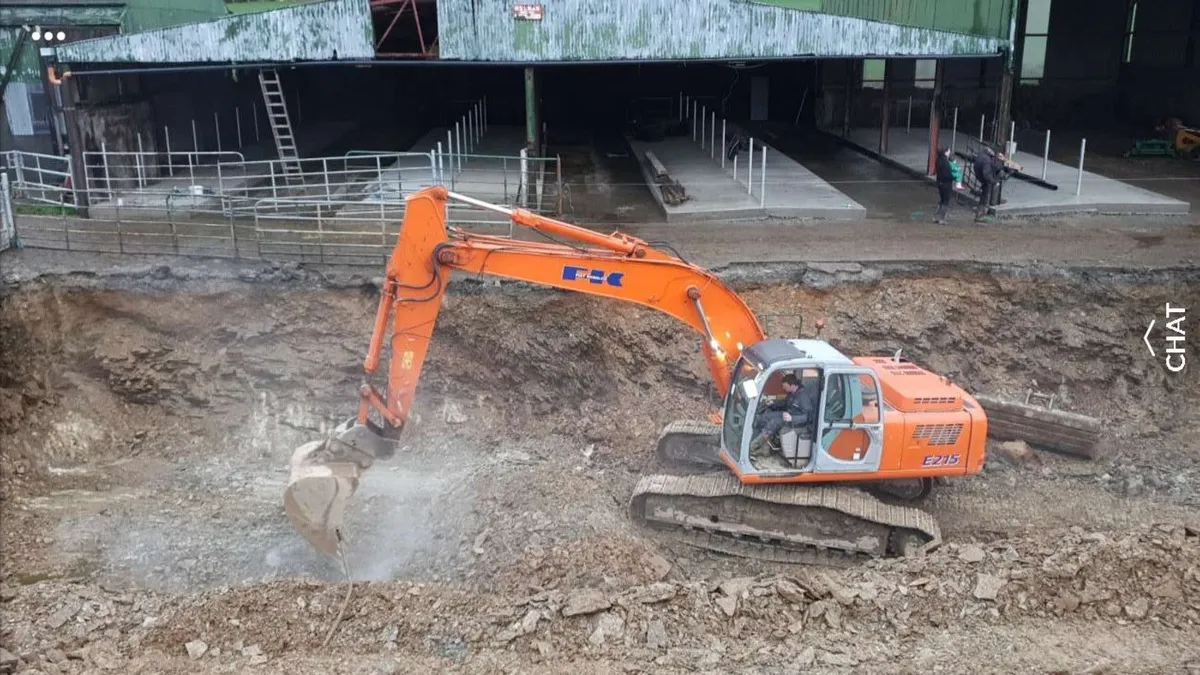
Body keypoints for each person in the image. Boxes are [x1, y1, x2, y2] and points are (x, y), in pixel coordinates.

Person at [749, 373, 815, 459]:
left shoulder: (803, 397)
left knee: (774, 423)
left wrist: (792, 418)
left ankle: (752, 448)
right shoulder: (792, 393)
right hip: (787, 414)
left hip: (795, 422)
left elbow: (808, 416)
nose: (783, 388)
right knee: (766, 416)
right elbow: (785, 403)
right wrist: (772, 404)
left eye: (785, 386)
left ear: (792, 385)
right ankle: (765, 447)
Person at [973, 148, 1007, 221]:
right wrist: (994, 182)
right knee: (985, 196)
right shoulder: (987, 160)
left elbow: (993, 165)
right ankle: (980, 214)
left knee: (984, 195)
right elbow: (986, 173)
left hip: (980, 176)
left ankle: (981, 212)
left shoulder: (982, 156)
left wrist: (1000, 163)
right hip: (985, 178)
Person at [933, 147, 956, 224]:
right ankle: (942, 219)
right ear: (946, 152)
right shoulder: (945, 162)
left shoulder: (938, 160)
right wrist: (954, 177)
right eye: (949, 150)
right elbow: (947, 174)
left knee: (942, 200)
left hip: (940, 183)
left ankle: (936, 217)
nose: (950, 152)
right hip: (946, 183)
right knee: (945, 201)